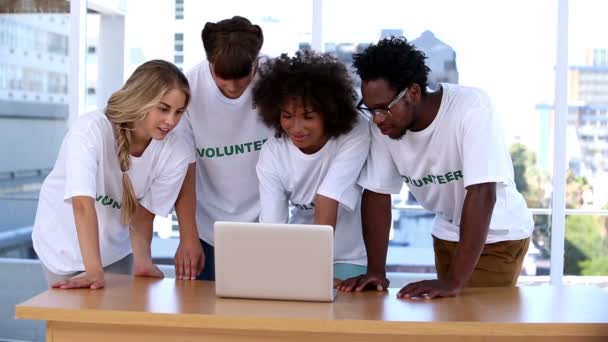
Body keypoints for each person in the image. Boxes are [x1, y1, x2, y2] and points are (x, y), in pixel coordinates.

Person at [338, 37, 534, 299]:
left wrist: (453, 281)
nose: (377, 118)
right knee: (448, 322)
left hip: (497, 235)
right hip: (447, 233)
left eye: (384, 108)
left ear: (414, 92)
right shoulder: (384, 126)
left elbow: (483, 193)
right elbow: (376, 194)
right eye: (370, 110)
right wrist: (376, 271)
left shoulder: (471, 108)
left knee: (473, 326)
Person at [32, 60, 193, 289]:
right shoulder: (89, 131)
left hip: (116, 250)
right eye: (163, 109)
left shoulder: (177, 151)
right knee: (75, 323)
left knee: (116, 321)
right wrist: (94, 271)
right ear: (141, 99)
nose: (171, 121)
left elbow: (143, 214)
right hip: (63, 245)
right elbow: (82, 205)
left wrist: (143, 261)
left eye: (179, 112)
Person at [252, 51, 369, 282]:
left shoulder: (355, 132)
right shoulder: (273, 152)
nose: (296, 128)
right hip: (298, 259)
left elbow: (328, 196)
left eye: (308, 116)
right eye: (287, 116)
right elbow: (273, 226)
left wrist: (318, 275)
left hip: (348, 258)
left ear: (330, 112)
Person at [174, 16, 273, 281]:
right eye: (222, 77)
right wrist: (188, 237)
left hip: (271, 223)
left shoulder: (277, 79)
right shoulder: (187, 89)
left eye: (242, 77)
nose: (232, 87)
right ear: (209, 63)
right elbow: (185, 169)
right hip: (209, 229)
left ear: (257, 61)